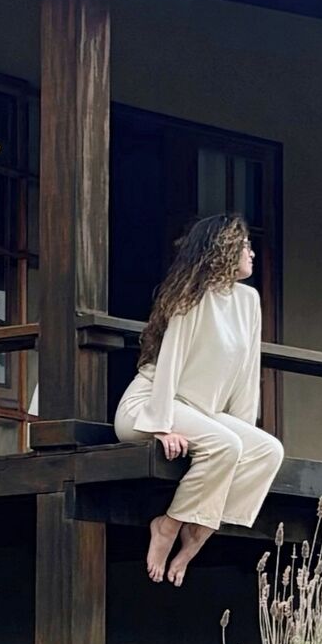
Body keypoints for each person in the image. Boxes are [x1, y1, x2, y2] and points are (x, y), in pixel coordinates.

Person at [115, 212, 281, 585]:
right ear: (223, 251)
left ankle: (199, 531)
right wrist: (160, 425)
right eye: (244, 246)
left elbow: (246, 372)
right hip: (151, 404)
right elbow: (169, 361)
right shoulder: (193, 297)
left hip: (198, 412)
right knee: (225, 446)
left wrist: (242, 424)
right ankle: (168, 525)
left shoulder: (248, 300)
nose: (252, 253)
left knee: (267, 451)